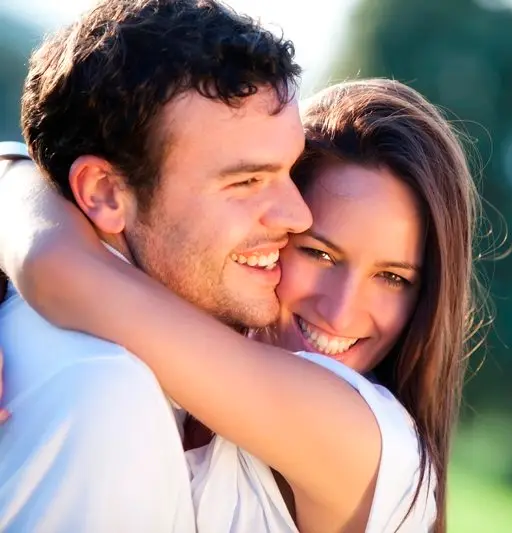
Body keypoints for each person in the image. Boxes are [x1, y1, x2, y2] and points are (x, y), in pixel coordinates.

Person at [1, 78, 486, 531]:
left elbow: (59, 266)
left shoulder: (372, 445)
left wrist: (13, 174)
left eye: (392, 278)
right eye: (319, 253)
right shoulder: (170, 361)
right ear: (272, 232)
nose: (340, 312)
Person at [0, 0, 310, 531]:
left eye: (290, 171)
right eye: (246, 181)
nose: (299, 216)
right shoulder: (105, 397)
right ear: (104, 192)